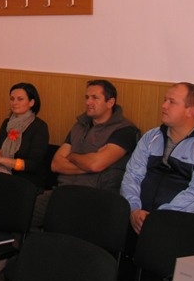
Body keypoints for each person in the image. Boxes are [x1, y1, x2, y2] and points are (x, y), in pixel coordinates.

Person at [32, 79, 139, 229]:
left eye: (95, 98)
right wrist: (88, 163)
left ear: (110, 102)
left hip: (95, 197)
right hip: (64, 191)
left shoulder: (125, 130)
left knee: (62, 221)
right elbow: (56, 164)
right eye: (87, 97)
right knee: (24, 211)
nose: (88, 102)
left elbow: (95, 165)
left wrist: (72, 157)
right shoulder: (79, 126)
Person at [121, 82, 194, 239]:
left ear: (190, 111)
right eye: (165, 100)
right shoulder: (151, 137)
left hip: (181, 228)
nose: (164, 105)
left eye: (172, 102)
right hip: (137, 219)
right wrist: (134, 210)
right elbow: (132, 176)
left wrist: (157, 219)